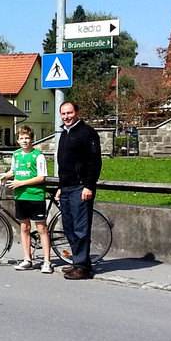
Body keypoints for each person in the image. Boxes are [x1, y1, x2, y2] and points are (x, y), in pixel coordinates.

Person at [0, 125, 53, 274]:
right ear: (18, 140)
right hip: (20, 196)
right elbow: (13, 172)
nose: (24, 140)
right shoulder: (16, 155)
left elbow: (41, 177)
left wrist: (21, 183)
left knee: (41, 228)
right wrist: (0, 177)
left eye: (27, 138)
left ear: (32, 139)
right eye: (21, 138)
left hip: (35, 196)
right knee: (24, 227)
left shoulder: (38, 156)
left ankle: (47, 262)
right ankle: (27, 259)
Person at [55, 101, 102, 280]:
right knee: (69, 228)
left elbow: (94, 161)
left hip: (81, 187)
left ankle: (82, 267)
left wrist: (88, 185)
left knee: (81, 228)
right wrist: (60, 186)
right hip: (66, 187)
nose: (67, 116)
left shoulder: (87, 133)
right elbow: (63, 164)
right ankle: (79, 262)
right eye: (64, 114)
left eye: (69, 113)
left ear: (77, 112)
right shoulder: (65, 134)